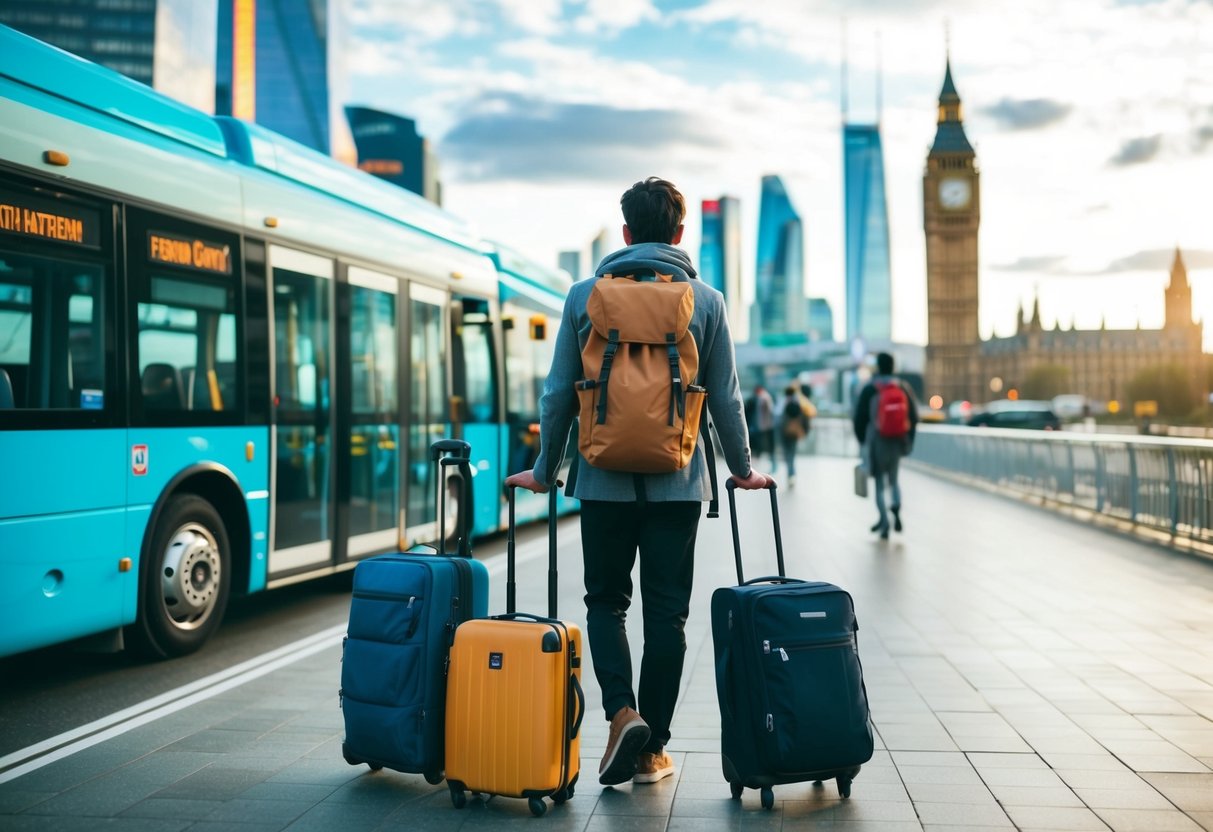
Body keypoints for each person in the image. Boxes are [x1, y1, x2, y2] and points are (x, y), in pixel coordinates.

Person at [505, 176, 771, 788]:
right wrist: (741, 469)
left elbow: (557, 396)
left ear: (625, 232)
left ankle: (620, 713)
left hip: (601, 481)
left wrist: (546, 471)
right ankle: (652, 750)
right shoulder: (706, 300)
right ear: (679, 234)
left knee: (605, 602)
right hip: (679, 483)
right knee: (667, 618)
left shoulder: (582, 296)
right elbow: (726, 398)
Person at [851, 352, 919, 539]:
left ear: (878, 366)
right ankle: (895, 506)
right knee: (894, 479)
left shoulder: (870, 389)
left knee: (880, 482)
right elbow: (913, 417)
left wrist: (862, 441)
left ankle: (884, 522)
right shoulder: (903, 387)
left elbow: (859, 419)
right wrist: (909, 440)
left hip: (877, 441)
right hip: (897, 440)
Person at [777, 383, 814, 485]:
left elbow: (778, 418)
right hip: (795, 432)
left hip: (784, 432)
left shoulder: (783, 402)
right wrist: (805, 431)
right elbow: (804, 417)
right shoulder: (799, 402)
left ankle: (790, 473)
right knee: (792, 453)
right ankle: (792, 474)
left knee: (787, 453)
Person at [749, 384, 775, 464]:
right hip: (763, 425)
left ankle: (772, 461)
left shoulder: (765, 397)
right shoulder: (761, 397)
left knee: (768, 444)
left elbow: (770, 411)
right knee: (763, 443)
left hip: (766, 425)